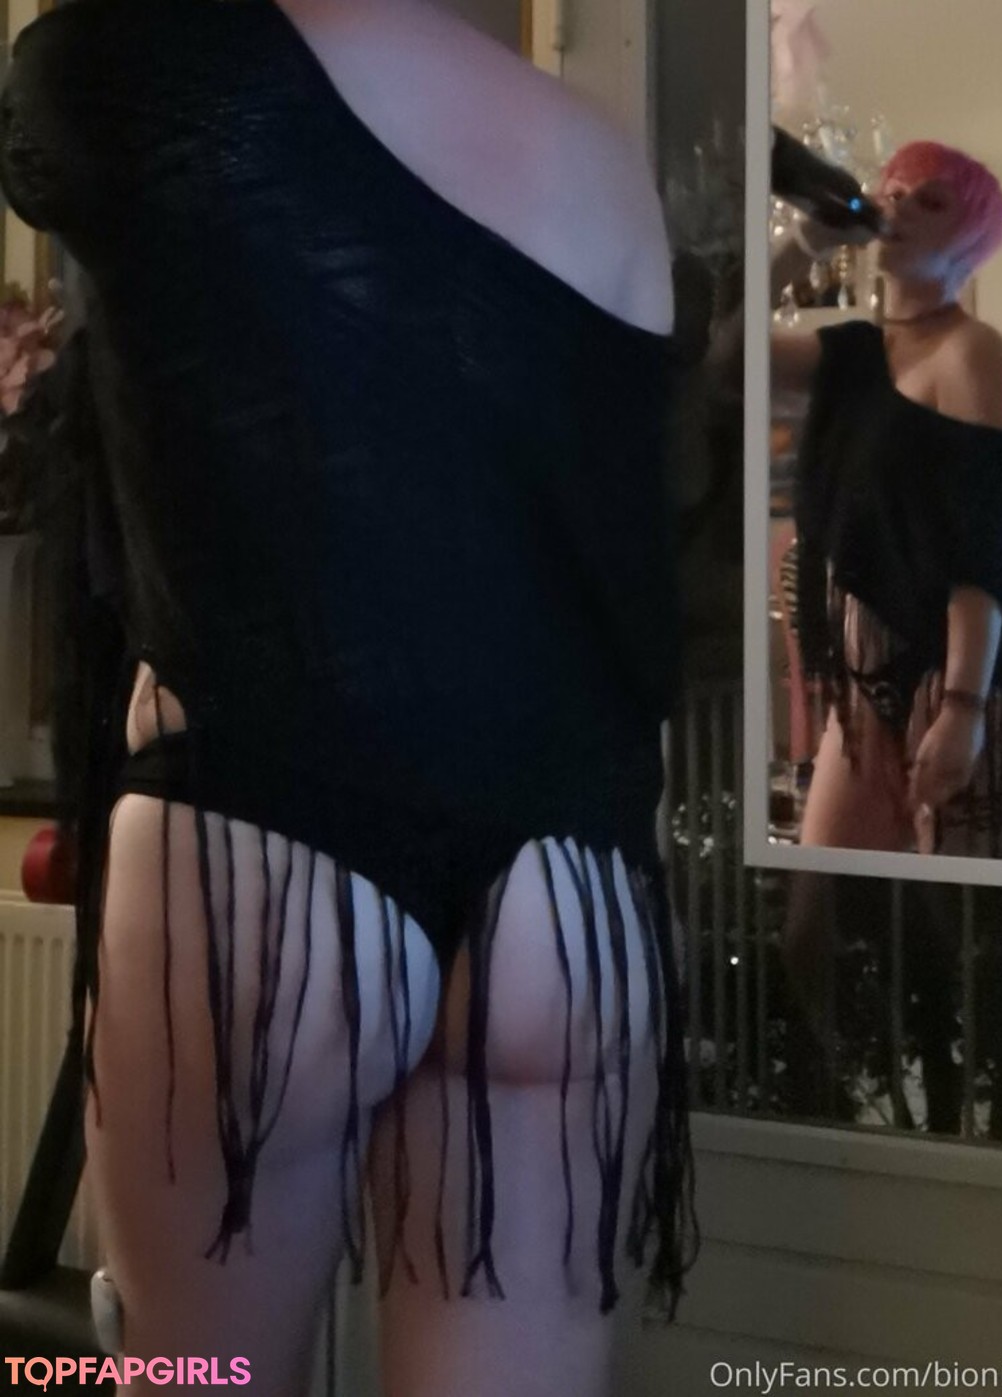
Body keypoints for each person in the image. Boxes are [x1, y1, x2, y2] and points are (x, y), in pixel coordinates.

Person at [0, 0, 700, 1392]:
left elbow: (45, 126)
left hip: (268, 856)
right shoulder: (601, 157)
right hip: (570, 897)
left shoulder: (147, 57)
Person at [771, 140, 1002, 860]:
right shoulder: (852, 353)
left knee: (953, 916)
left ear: (970, 241)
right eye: (893, 192)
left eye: (931, 200)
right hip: (864, 687)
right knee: (821, 908)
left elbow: (983, 550)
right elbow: (726, 357)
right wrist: (805, 242)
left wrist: (963, 710)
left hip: (963, 685)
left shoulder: (975, 352)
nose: (900, 205)